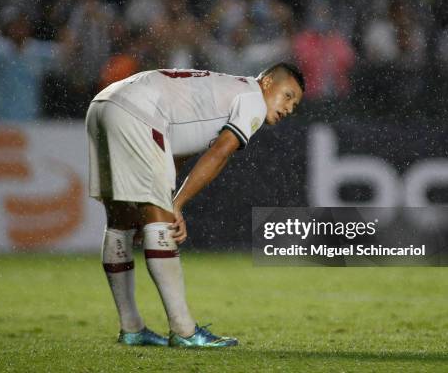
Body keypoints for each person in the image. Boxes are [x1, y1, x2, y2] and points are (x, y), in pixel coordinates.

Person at [86, 62, 305, 347]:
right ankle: (184, 331)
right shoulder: (253, 100)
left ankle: (131, 327)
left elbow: (172, 151)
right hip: (139, 110)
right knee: (161, 220)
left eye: (295, 104)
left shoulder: (225, 91)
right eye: (287, 95)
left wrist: (163, 202)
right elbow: (219, 153)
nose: (289, 108)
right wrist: (175, 205)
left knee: (120, 220)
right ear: (266, 82)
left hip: (104, 104)